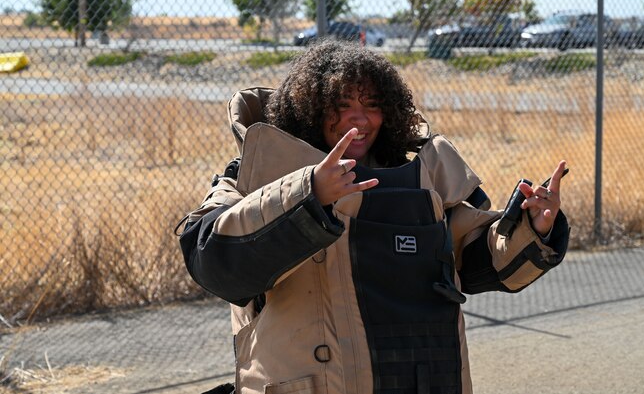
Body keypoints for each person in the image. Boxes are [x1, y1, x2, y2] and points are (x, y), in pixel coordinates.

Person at [179, 39, 569, 394]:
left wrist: (534, 228)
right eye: (341, 105)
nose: (359, 120)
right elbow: (210, 255)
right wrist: (308, 194)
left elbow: (469, 258)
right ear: (308, 108)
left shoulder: (418, 176)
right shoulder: (257, 171)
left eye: (372, 105)